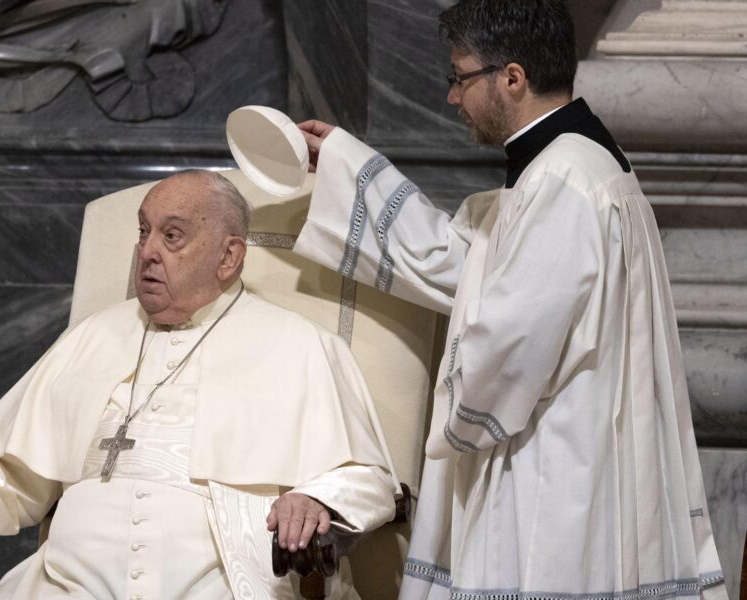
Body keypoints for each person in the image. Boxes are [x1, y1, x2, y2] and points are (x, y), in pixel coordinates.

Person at [293, 1, 727, 599]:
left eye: (459, 77)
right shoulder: (565, 165)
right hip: (568, 449)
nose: (452, 97)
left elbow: (508, 344)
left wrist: (452, 408)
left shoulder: (561, 183)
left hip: (553, 468)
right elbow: (471, 265)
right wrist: (346, 163)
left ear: (512, 78)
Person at [0, 169, 400, 599]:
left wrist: (313, 496)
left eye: (173, 236)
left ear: (229, 257)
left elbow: (366, 476)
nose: (147, 252)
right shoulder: (93, 337)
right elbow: (12, 472)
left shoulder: (298, 344)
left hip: (226, 583)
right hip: (66, 585)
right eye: (144, 232)